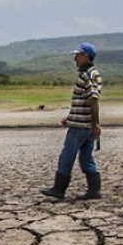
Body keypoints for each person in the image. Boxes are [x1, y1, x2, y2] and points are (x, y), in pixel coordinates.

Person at [42, 41, 102, 200]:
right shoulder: (92, 73)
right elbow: (83, 102)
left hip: (81, 127)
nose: (75, 58)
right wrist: (68, 118)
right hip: (85, 124)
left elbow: (93, 100)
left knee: (67, 156)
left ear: (86, 56)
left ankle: (59, 189)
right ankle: (94, 190)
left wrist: (96, 124)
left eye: (78, 55)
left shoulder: (87, 75)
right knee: (86, 157)